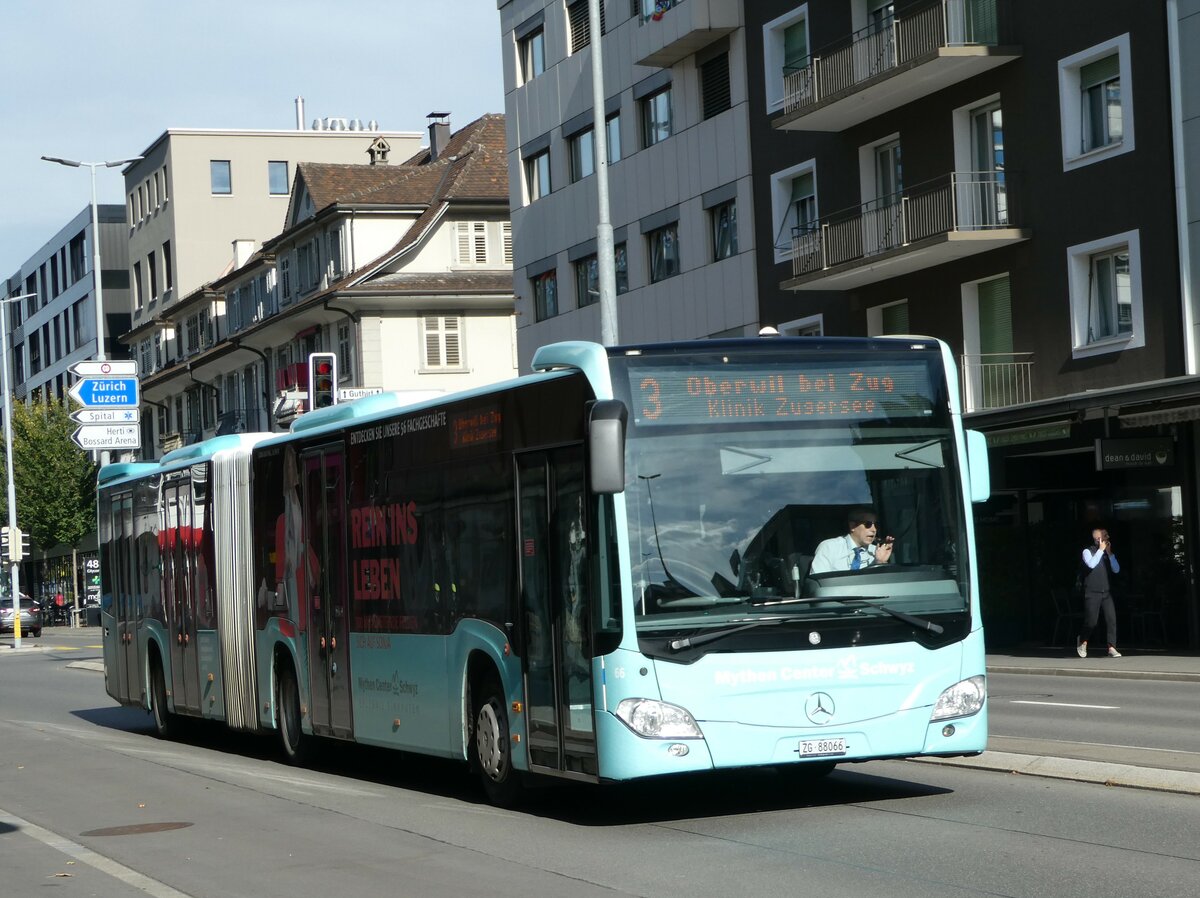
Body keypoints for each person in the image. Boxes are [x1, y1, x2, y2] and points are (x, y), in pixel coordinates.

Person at [1077, 528, 1121, 658]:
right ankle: (1082, 640)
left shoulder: (1107, 553)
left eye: (1106, 537)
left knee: (1111, 619)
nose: (1106, 540)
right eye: (1103, 538)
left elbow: (1116, 570)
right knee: (1092, 621)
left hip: (1106, 592)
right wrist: (1101, 551)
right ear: (1097, 539)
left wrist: (1110, 553)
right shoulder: (1087, 551)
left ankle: (1111, 647)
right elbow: (1091, 564)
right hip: (1092, 592)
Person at [811, 508, 895, 573]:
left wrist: (880, 562)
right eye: (868, 524)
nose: (874, 529)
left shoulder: (877, 552)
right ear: (852, 526)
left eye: (876, 525)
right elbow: (819, 582)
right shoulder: (829, 547)